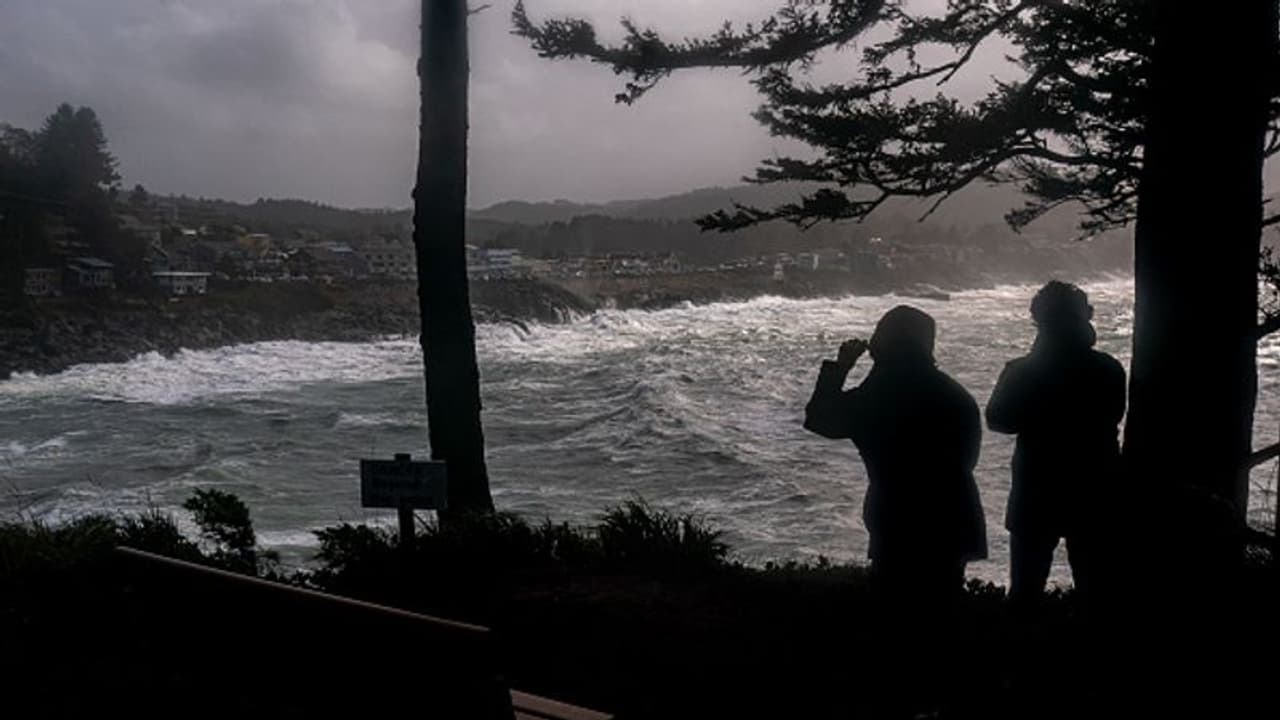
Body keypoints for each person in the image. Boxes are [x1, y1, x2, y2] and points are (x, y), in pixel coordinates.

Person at [805, 305, 988, 596]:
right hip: (954, 517)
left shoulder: (879, 393)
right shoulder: (954, 393)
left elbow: (820, 419)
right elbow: (970, 458)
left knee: (893, 614)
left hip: (897, 520)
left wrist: (840, 368)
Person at [986, 281, 1126, 605]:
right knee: (1097, 593)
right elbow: (1113, 415)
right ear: (1085, 317)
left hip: (1035, 490)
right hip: (1096, 488)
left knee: (1024, 594)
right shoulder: (1108, 368)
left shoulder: (1021, 371)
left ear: (1038, 319)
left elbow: (998, 420)